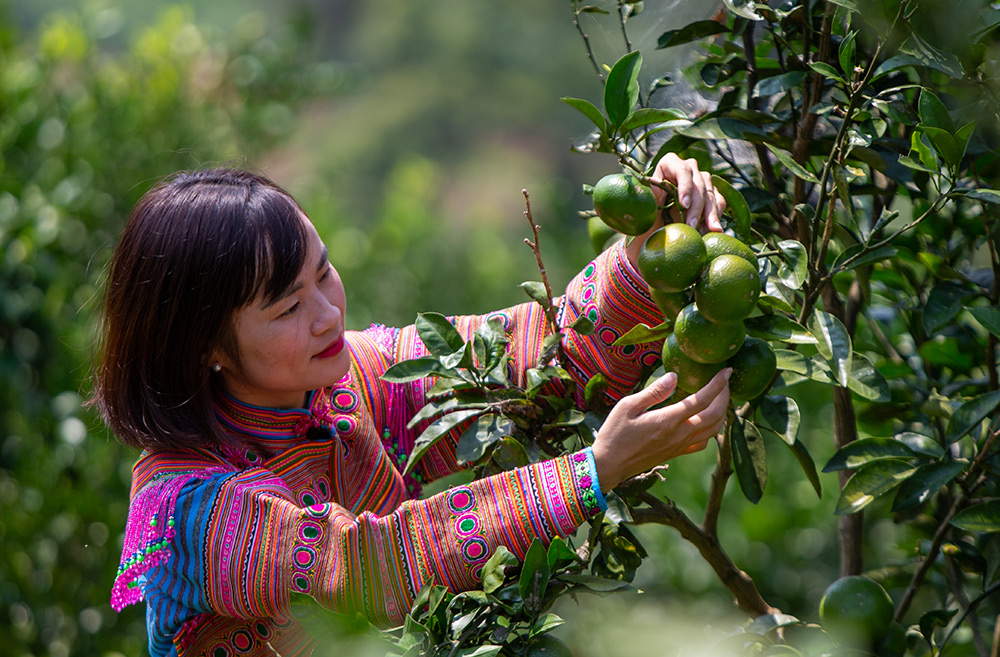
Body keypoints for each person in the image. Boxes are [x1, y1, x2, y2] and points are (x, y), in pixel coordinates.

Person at [92, 153, 730, 656]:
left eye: (324, 272)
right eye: (288, 307)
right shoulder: (185, 507)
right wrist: (591, 474)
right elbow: (364, 572)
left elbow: (531, 355)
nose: (327, 314)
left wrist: (652, 247)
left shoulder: (350, 380)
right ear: (207, 348)